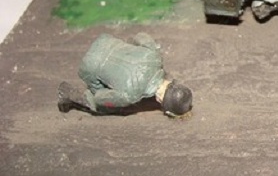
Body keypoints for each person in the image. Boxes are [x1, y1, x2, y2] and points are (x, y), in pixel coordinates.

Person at [57, 33, 192, 117]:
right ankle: (70, 95)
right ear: (161, 100)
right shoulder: (129, 96)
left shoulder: (155, 57)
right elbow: (100, 98)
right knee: (102, 105)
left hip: (105, 42)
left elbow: (141, 37)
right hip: (89, 66)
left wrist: (130, 47)